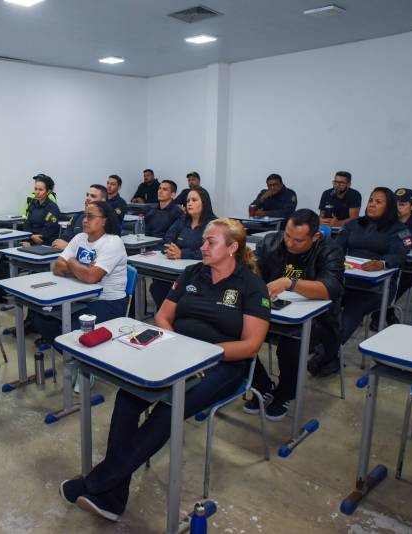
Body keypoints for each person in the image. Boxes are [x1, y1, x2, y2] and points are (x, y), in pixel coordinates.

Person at [59, 218, 270, 521]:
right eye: (205, 241)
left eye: (211, 242)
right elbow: (162, 317)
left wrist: (202, 356)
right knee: (128, 398)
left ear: (232, 247)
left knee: (167, 412)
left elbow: (251, 345)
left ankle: (95, 482)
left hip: (222, 365)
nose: (202, 246)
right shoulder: (192, 273)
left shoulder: (251, 286)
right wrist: (176, 346)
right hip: (174, 354)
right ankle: (113, 498)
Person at [247, 209, 344, 419]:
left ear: (315, 236)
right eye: (287, 236)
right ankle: (262, 385)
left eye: (298, 240)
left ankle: (285, 393)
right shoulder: (270, 242)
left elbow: (331, 287)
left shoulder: (330, 250)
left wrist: (290, 283)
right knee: (231, 328)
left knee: (291, 342)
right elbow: (252, 272)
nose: (290, 243)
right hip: (272, 312)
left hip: (318, 320)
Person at [309, 187, 412, 377]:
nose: (372, 204)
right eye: (371, 200)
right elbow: (335, 247)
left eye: (378, 202)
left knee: (351, 311)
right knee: (323, 306)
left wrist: (382, 263)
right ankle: (321, 348)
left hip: (378, 287)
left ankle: (325, 354)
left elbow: (399, 256)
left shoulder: (400, 230)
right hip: (348, 280)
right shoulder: (354, 224)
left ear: (389, 207)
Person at [31, 201, 128, 344]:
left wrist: (71, 262)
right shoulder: (79, 238)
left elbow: (90, 277)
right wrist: (81, 267)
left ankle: (77, 360)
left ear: (104, 221)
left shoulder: (113, 242)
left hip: (108, 302)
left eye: (90, 216)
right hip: (81, 297)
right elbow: (57, 267)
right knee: (40, 318)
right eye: (84, 216)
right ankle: (71, 357)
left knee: (71, 335)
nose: (84, 220)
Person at [148, 187, 216, 309]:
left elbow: (212, 251)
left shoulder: (213, 224)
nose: (189, 203)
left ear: (204, 203)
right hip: (175, 269)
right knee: (157, 286)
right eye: (188, 200)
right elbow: (168, 237)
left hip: (200, 272)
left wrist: (182, 254)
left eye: (194, 200)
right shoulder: (182, 220)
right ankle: (169, 316)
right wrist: (169, 249)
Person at [369, 188, 412, 329]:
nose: (397, 208)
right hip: (389, 260)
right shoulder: (385, 220)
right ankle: (386, 312)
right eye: (394, 204)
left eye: (402, 204)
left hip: (411, 265)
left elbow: (410, 240)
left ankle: (382, 312)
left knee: (399, 280)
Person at [52, 184, 108, 251]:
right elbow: (62, 240)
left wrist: (69, 247)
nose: (88, 198)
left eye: (93, 196)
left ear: (103, 201)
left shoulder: (106, 221)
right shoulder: (77, 217)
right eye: (87, 195)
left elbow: (98, 249)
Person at [22, 174, 61, 246]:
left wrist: (32, 240)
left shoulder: (52, 208)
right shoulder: (33, 204)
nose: (37, 192)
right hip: (31, 239)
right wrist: (30, 236)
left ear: (48, 191)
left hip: (45, 243)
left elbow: (49, 230)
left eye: (40, 190)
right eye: (35, 189)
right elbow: (27, 224)